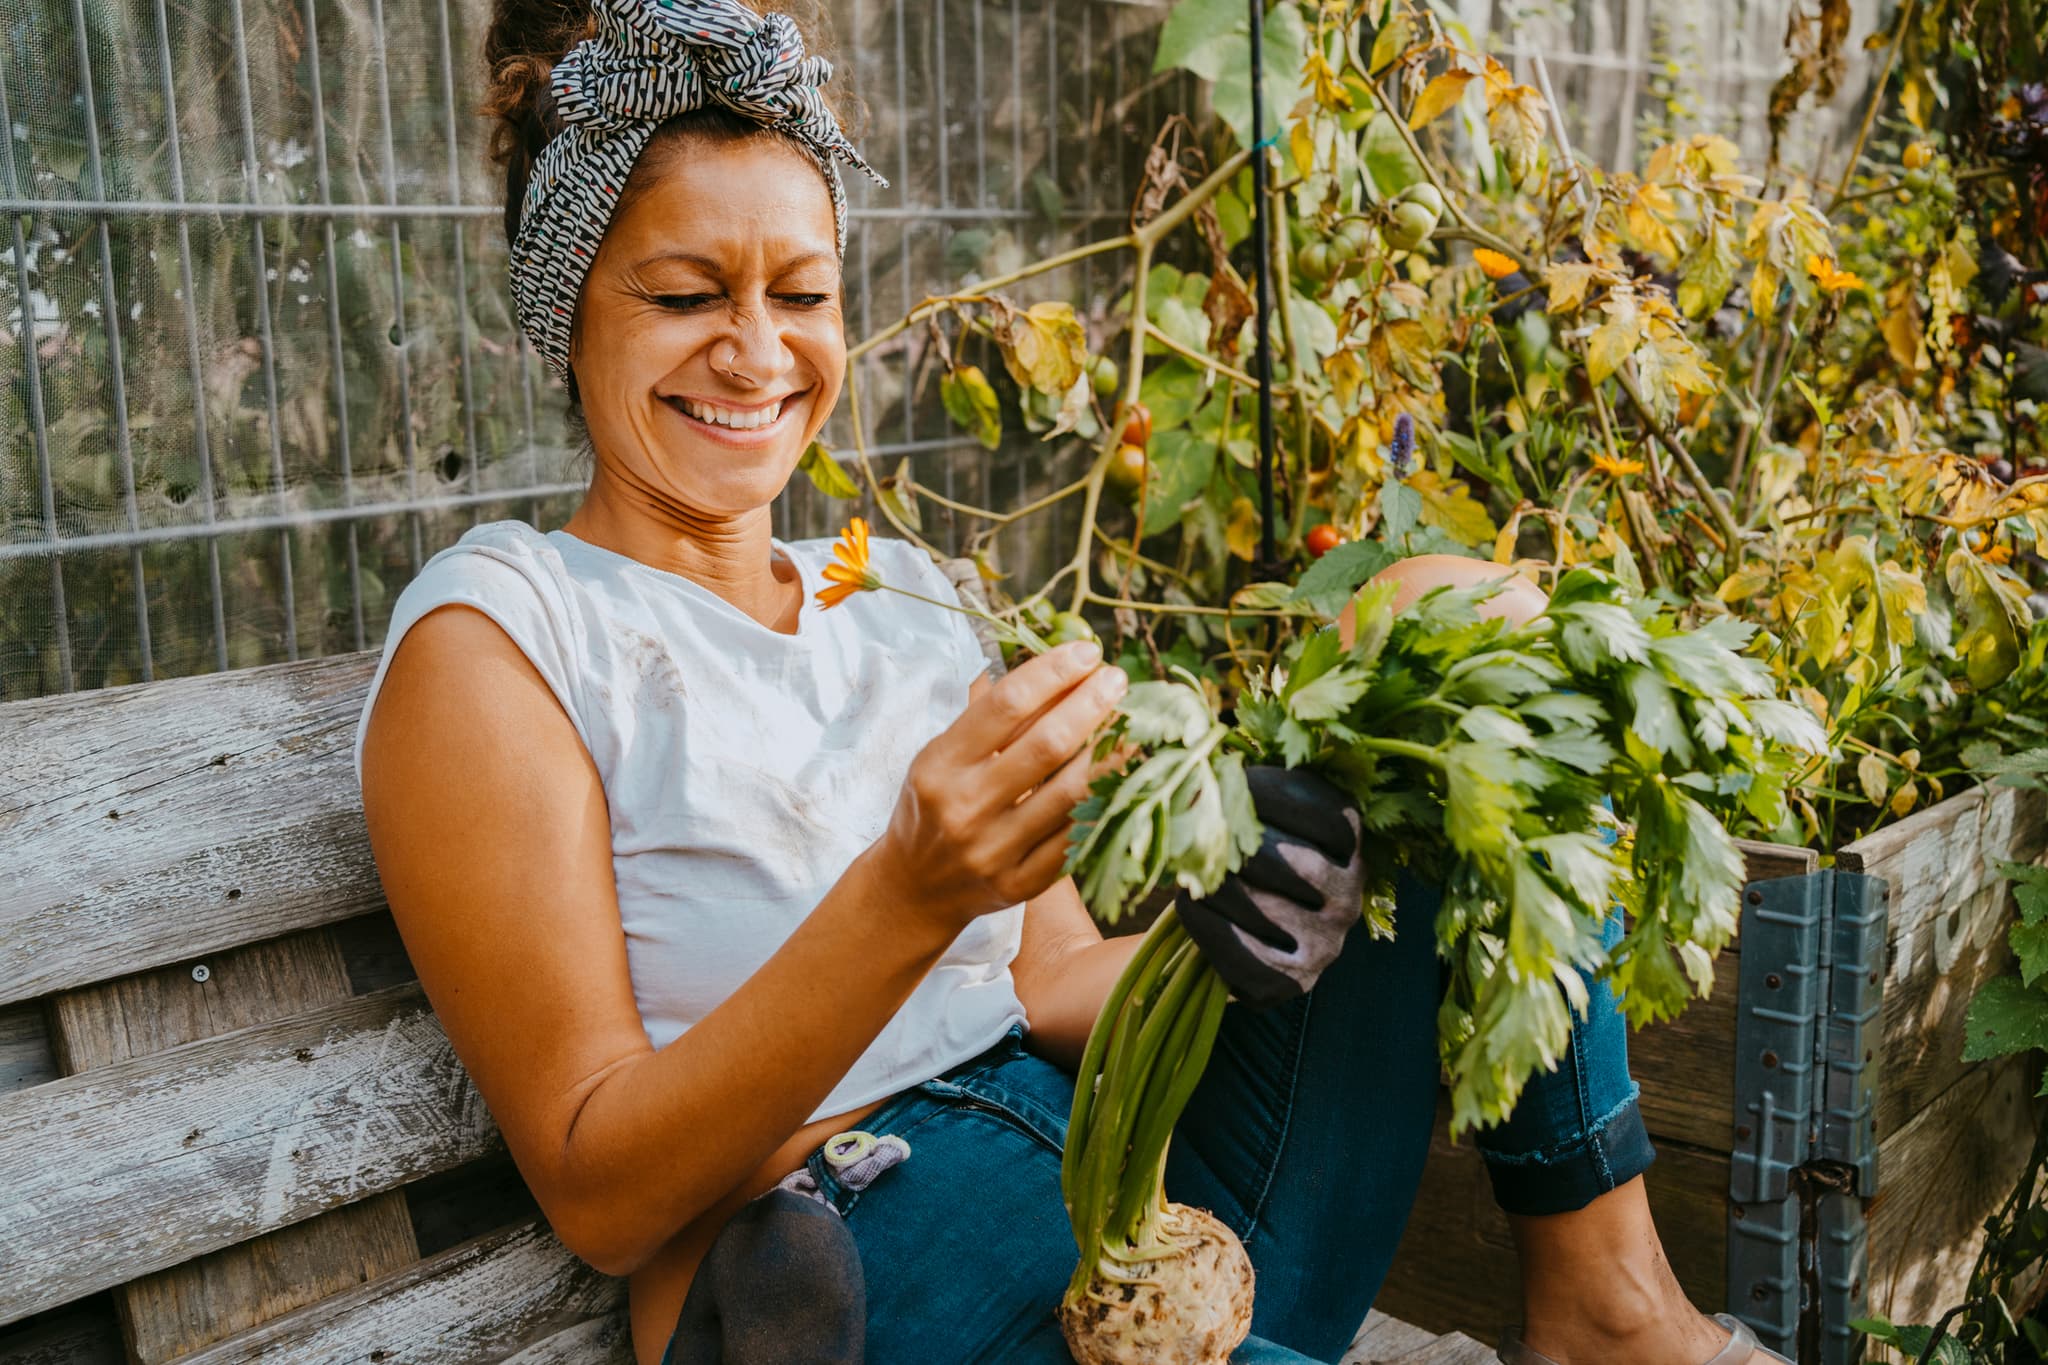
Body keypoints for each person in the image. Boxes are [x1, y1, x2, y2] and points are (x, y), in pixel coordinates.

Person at [353, 2, 1790, 1362]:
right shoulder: (502, 638)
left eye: (802, 291)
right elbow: (599, 1186)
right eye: (683, 294)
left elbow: (1044, 980)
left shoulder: (893, 589)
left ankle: (1609, 1305)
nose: (755, 349)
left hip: (1130, 1161)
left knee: (1451, 620)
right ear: (566, 314)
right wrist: (907, 895)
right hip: (851, 1228)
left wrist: (1250, 928)